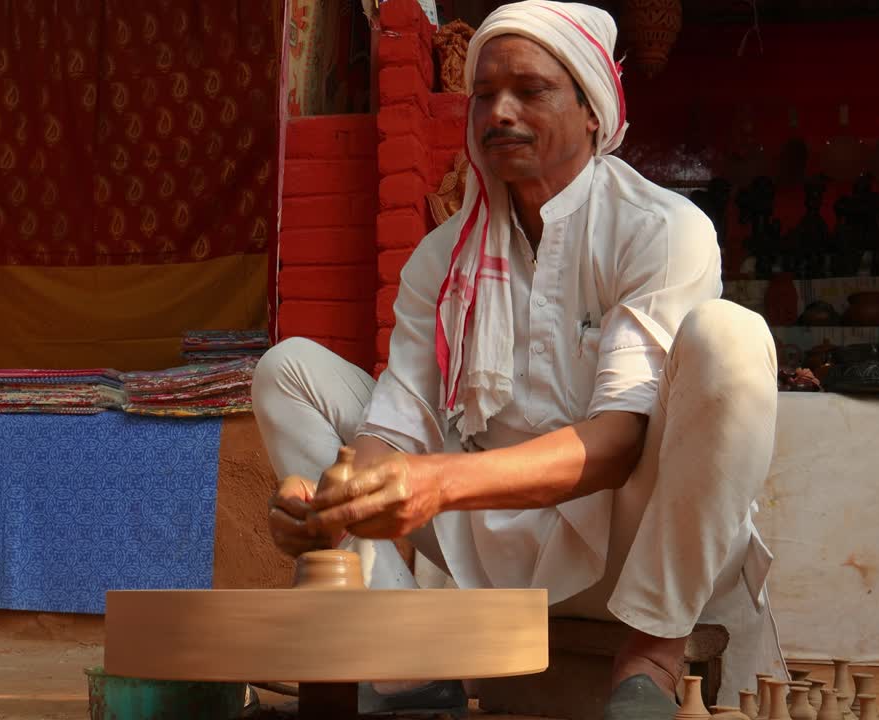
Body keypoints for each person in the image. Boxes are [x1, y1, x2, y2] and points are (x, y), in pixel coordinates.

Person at [252, 2, 786, 717]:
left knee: (732, 339)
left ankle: (651, 655)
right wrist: (330, 498)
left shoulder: (660, 230)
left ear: (592, 109)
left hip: (627, 537)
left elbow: (619, 444)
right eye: (485, 94)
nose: (499, 111)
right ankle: (401, 656)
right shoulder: (441, 260)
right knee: (286, 370)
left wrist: (436, 482)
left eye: (530, 91)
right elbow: (396, 425)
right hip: (490, 544)